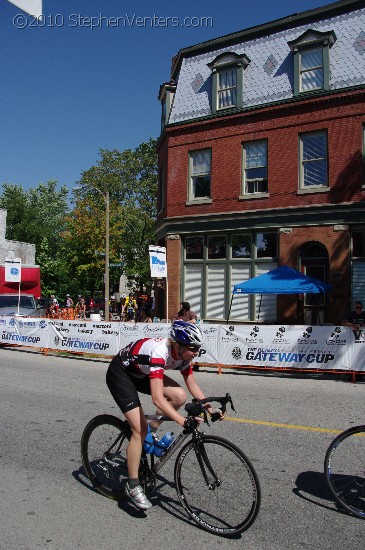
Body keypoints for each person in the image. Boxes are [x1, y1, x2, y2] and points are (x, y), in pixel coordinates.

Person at [105, 320, 224, 510]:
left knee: (179, 396)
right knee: (138, 429)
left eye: (198, 348)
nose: (196, 352)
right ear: (178, 345)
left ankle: (149, 435)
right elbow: (157, 399)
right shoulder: (160, 352)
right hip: (121, 374)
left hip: (141, 373)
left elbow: (191, 385)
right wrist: (182, 420)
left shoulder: (184, 356)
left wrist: (210, 408)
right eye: (193, 348)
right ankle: (132, 485)